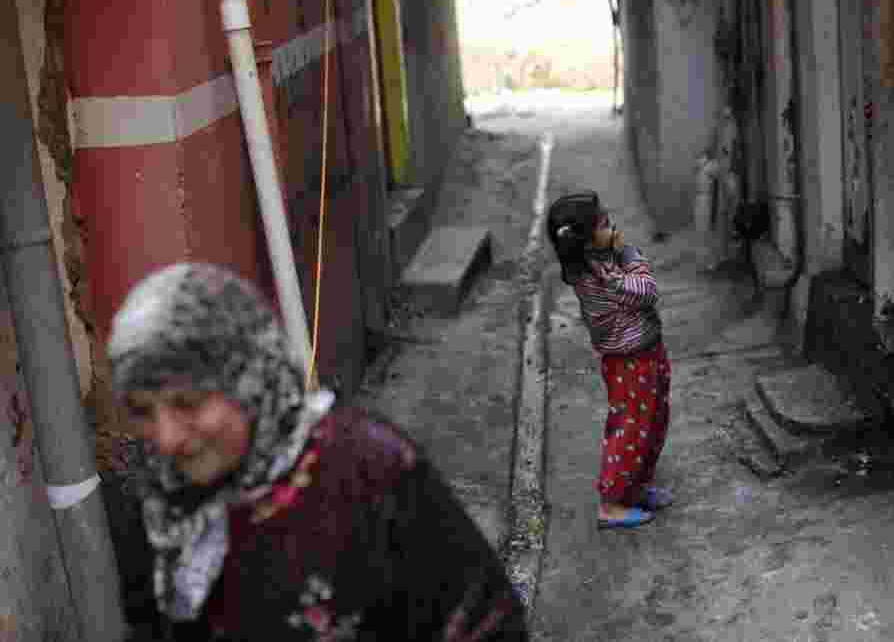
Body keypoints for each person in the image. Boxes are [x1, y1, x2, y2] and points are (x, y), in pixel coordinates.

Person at [107, 262, 528, 641]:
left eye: (189, 403)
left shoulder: (369, 473)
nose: (166, 439)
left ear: (250, 380)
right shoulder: (158, 499)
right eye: (143, 412)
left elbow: (485, 624)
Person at [546, 191, 674, 530]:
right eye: (603, 222)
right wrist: (631, 255)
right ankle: (612, 504)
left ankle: (636, 488)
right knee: (632, 428)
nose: (611, 223)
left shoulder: (599, 260)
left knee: (654, 421)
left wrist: (616, 252)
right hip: (630, 363)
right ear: (585, 241)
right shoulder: (602, 277)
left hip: (646, 352)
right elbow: (647, 290)